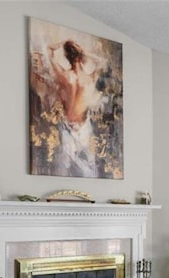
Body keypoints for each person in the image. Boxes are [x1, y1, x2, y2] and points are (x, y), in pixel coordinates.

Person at [48, 39, 107, 177]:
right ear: (81, 56)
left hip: (70, 125)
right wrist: (85, 53)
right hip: (81, 126)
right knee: (88, 168)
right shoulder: (89, 78)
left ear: (67, 57)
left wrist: (62, 43)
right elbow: (102, 62)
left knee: (64, 168)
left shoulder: (65, 76)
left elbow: (49, 50)